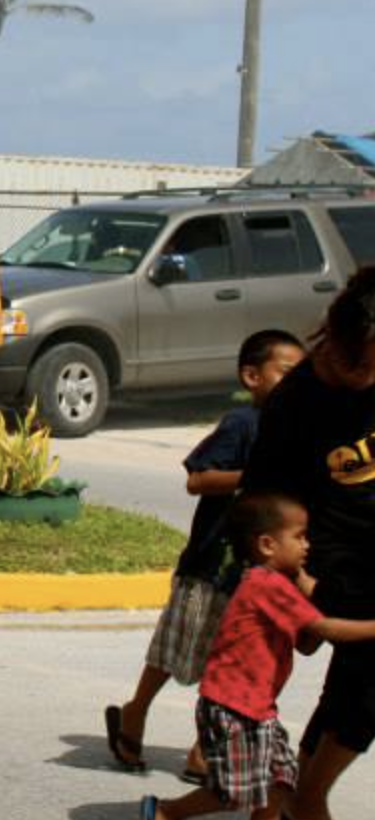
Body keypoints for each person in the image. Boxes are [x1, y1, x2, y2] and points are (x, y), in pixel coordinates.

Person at [108, 330, 308, 775]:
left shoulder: (298, 429)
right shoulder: (242, 424)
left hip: (259, 572)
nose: (295, 383)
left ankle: (203, 748)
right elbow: (198, 479)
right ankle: (135, 710)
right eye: (286, 372)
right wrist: (253, 475)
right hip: (211, 565)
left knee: (234, 660)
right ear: (252, 376)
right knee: (176, 649)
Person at [140, 493, 375, 820]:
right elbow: (324, 629)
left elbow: (306, 643)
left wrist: (312, 589)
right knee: (235, 792)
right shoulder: (266, 585)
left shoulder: (278, 583)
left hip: (257, 708)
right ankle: (165, 812)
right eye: (299, 536)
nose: (308, 545)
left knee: (280, 781)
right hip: (232, 706)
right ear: (267, 544)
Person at [242, 267, 375, 820]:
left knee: (353, 690)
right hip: (333, 563)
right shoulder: (296, 403)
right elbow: (261, 507)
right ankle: (306, 797)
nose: (371, 373)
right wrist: (299, 581)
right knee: (366, 688)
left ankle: (296, 793)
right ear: (336, 339)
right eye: (363, 362)